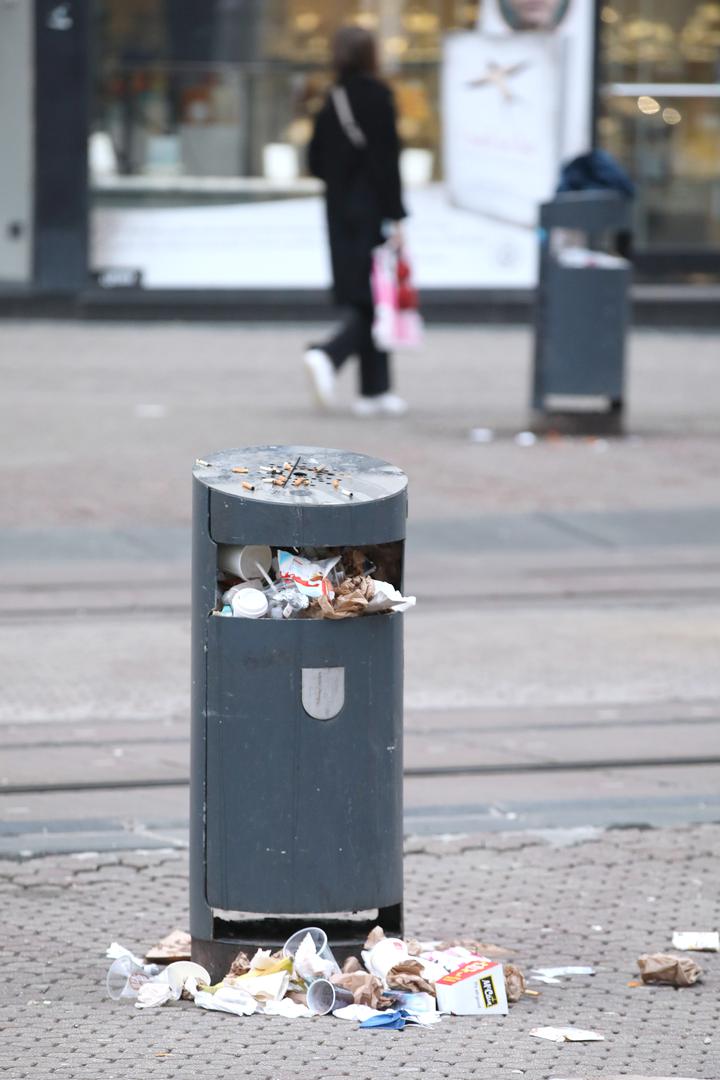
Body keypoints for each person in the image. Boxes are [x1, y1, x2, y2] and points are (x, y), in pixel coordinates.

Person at [304, 25, 408, 417]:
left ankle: (374, 391)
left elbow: (313, 161)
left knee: (370, 297)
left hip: (338, 211)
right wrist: (396, 214)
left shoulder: (332, 100)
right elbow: (387, 163)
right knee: (375, 299)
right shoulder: (378, 98)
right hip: (370, 211)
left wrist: (341, 174)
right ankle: (328, 355)